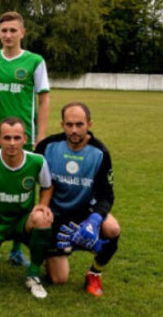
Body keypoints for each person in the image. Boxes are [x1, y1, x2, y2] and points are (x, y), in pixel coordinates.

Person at [0, 11, 51, 267]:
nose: (8, 35)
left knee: (22, 190)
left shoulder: (34, 61)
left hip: (24, 137)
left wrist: (41, 136)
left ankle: (17, 248)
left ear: (22, 32)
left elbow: (43, 99)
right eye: (4, 30)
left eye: (13, 30)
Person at [35, 102, 120, 296]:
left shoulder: (100, 153)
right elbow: (22, 163)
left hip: (85, 215)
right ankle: (54, 251)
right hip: (55, 216)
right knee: (59, 279)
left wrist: (95, 220)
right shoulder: (47, 146)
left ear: (89, 124)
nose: (74, 130)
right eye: (69, 124)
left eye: (79, 124)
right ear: (62, 124)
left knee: (112, 228)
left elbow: (107, 195)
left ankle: (94, 273)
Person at [0, 117, 53, 299]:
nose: (12, 143)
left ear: (25, 138)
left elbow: (47, 186)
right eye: (7, 138)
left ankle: (33, 275)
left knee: (42, 218)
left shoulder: (37, 161)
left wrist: (43, 205)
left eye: (16, 138)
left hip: (23, 221)